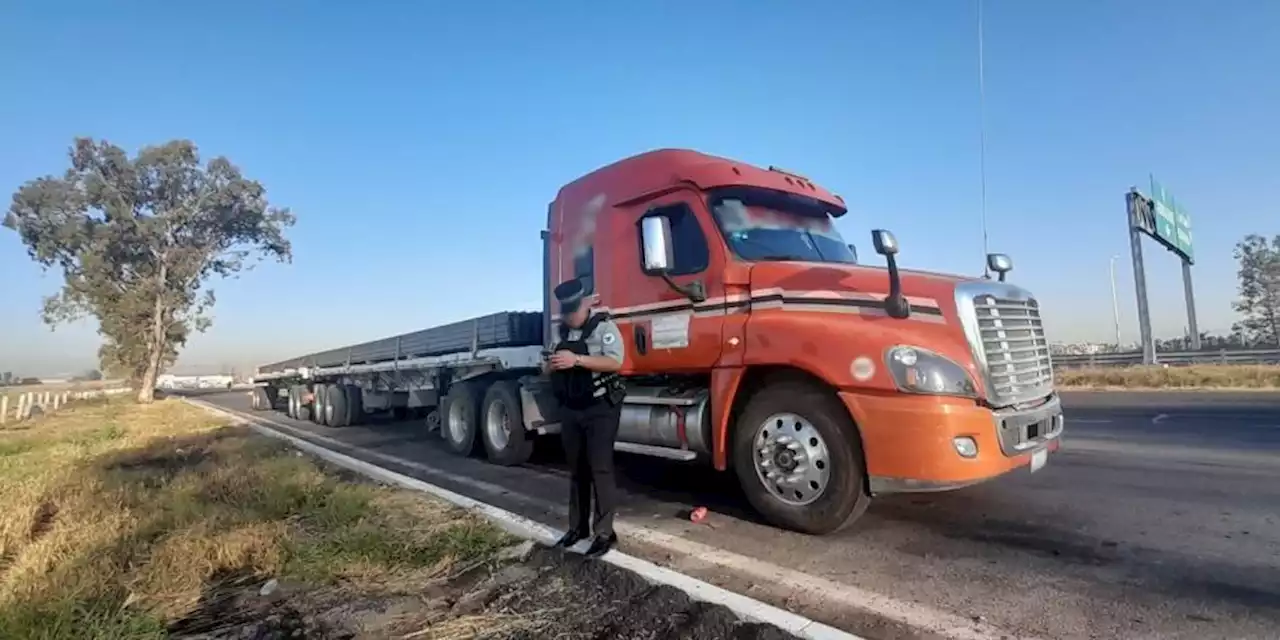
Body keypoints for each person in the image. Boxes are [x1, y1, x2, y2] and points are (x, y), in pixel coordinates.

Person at [545, 277, 627, 558]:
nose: (570, 318)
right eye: (565, 314)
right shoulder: (561, 332)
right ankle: (576, 527)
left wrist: (577, 360)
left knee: (599, 468)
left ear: (586, 305)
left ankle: (605, 533)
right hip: (571, 407)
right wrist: (550, 366)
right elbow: (550, 364)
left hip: (600, 406)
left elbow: (616, 362)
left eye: (574, 312)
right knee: (577, 470)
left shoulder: (604, 327)